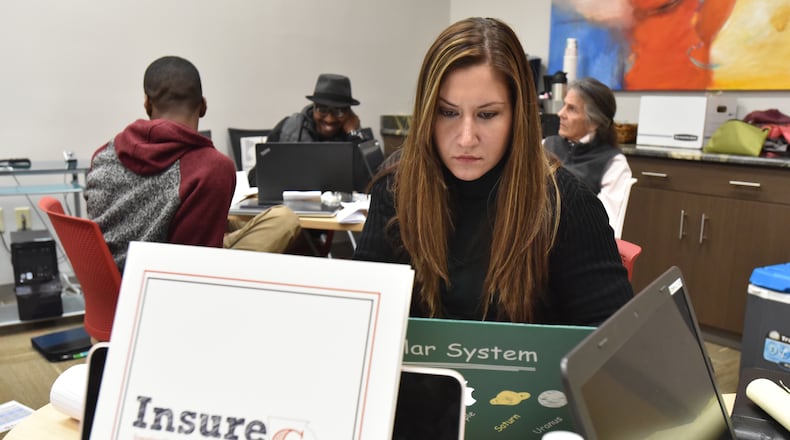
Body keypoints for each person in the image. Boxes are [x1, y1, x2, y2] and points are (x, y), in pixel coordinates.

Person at [353, 17, 633, 325]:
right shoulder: (396, 187)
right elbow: (363, 316)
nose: (466, 138)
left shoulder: (567, 204)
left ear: (518, 115)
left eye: (487, 114)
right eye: (447, 112)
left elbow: (611, 343)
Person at [85, 56, 300, 271]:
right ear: (203, 106)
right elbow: (197, 266)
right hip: (166, 285)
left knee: (276, 218)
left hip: (112, 287)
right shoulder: (211, 168)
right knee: (285, 220)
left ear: (147, 104)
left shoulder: (104, 155)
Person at [247, 73, 373, 188]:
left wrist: (354, 135)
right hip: (293, 208)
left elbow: (372, 184)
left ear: (349, 113)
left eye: (339, 111)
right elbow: (255, 178)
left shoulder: (359, 138)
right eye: (322, 109)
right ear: (313, 108)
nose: (329, 119)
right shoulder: (288, 128)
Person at [543, 77, 633, 231]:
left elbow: (605, 226)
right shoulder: (546, 145)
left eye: (571, 109)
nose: (560, 113)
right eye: (564, 105)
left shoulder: (613, 163)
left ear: (594, 122)